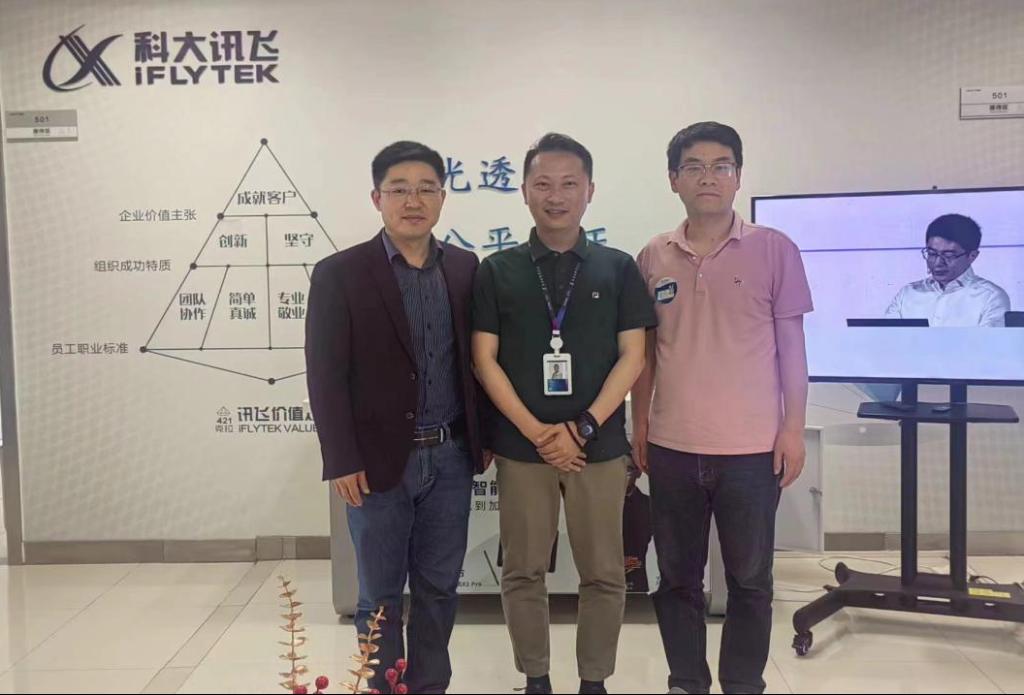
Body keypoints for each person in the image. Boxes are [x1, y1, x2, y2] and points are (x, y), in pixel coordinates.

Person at [472, 132, 657, 695]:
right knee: (523, 570)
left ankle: (594, 681)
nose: (556, 196)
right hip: (522, 448)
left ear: (590, 191)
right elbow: (484, 359)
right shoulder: (496, 270)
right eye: (544, 184)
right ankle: (536, 678)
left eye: (569, 184)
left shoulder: (617, 268)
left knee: (604, 572)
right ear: (524, 191)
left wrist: (583, 427)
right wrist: (537, 433)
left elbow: (634, 355)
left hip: (597, 447)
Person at [631, 121, 813, 695]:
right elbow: (645, 354)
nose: (707, 177)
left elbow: (792, 348)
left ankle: (742, 683)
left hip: (752, 451)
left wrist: (793, 429)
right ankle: (687, 680)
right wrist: (640, 423)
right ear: (673, 179)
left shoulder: (775, 249)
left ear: (737, 177)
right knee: (676, 579)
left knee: (751, 581)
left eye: (721, 166)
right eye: (693, 167)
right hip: (672, 446)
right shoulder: (652, 256)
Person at [305, 141, 490, 694]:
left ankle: (429, 686)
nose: (414, 201)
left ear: (442, 198)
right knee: (379, 597)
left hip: (450, 457)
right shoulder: (340, 273)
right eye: (400, 189)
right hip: (377, 464)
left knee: (438, 590)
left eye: (426, 188)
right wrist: (341, 458)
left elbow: (477, 363)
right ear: (376, 198)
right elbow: (325, 374)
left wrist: (482, 438)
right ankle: (386, 687)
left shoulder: (465, 268)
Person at [886, 213, 1010, 326]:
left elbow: (989, 343)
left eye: (949, 255)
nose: (938, 263)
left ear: (972, 256)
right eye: (932, 253)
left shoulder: (990, 297)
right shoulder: (907, 294)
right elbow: (887, 339)